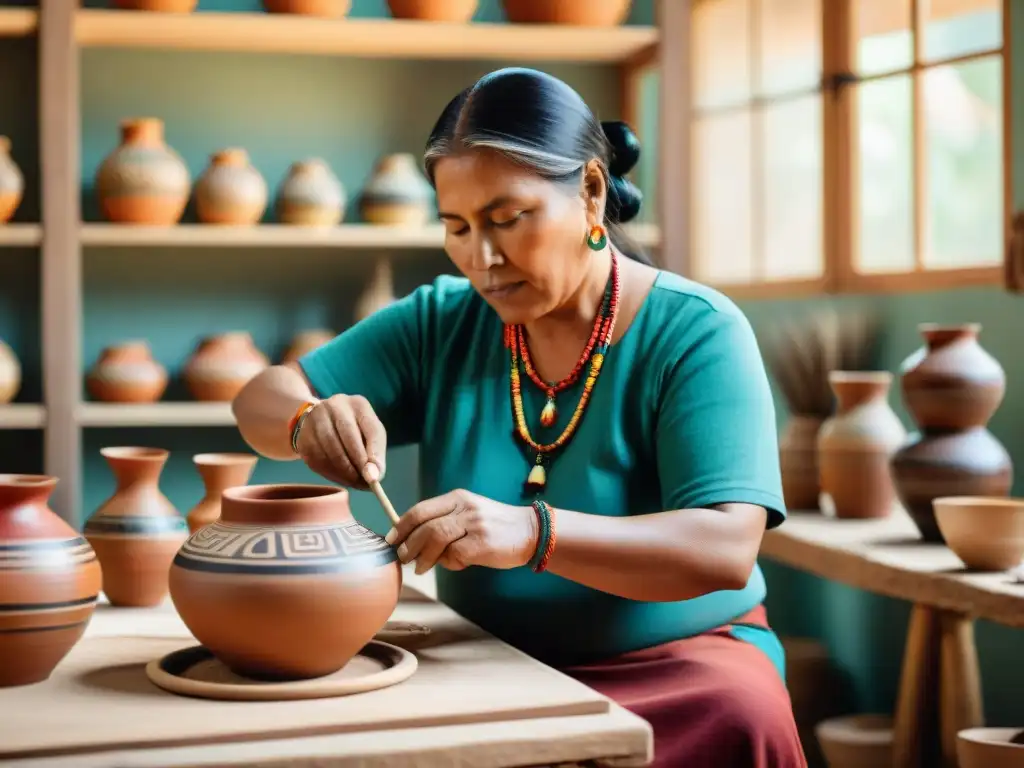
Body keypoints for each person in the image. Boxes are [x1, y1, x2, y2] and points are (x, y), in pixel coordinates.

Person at [232, 67, 807, 768]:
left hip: (682, 674)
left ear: (591, 191)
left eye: (508, 220)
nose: (483, 257)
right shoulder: (442, 320)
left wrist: (531, 532)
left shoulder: (697, 331)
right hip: (485, 663)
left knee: (739, 709)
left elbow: (724, 548)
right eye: (457, 227)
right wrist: (306, 420)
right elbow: (258, 397)